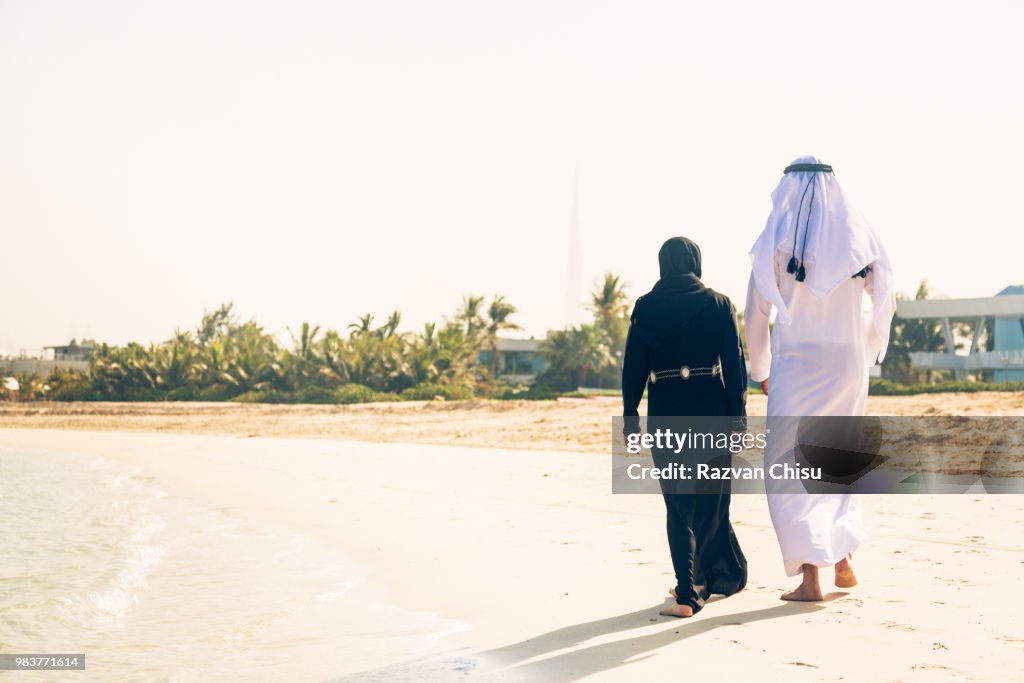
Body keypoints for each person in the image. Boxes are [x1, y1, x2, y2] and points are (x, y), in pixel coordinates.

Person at [744, 156, 896, 601]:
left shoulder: (776, 239)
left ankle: (810, 578)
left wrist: (761, 369)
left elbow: (757, 313)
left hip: (798, 363)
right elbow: (885, 298)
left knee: (788, 467)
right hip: (847, 365)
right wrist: (866, 349)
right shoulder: (858, 238)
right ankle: (843, 558)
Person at [622, 236, 748, 618]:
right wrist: (738, 418)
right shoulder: (718, 303)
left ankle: (688, 592)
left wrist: (631, 416)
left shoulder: (645, 307)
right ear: (696, 262)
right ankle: (707, 580)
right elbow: (734, 364)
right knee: (711, 500)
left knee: (678, 504)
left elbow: (633, 368)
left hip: (667, 410)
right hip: (711, 407)